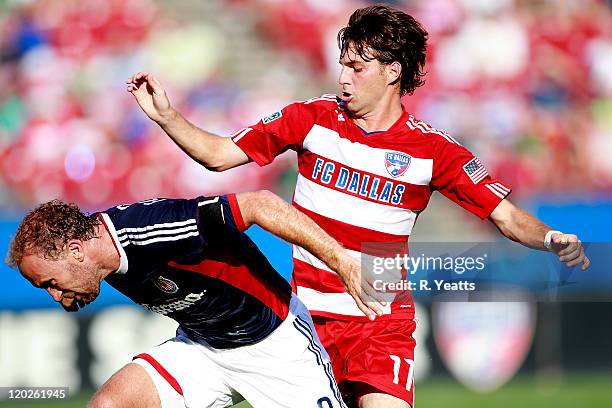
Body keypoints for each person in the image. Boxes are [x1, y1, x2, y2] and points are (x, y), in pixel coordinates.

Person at [126, 5, 590, 407]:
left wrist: (549, 237)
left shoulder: (433, 150)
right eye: (342, 65)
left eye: (358, 67)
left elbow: (505, 215)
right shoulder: (309, 118)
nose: (344, 78)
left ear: (393, 71)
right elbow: (219, 155)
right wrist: (168, 116)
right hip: (305, 322)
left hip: (380, 322)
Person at [6, 190, 384, 408]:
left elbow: (259, 204)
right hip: (201, 348)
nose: (57, 296)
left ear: (75, 251)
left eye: (51, 283)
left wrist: (341, 262)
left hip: (275, 344)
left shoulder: (153, 228)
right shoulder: (96, 260)